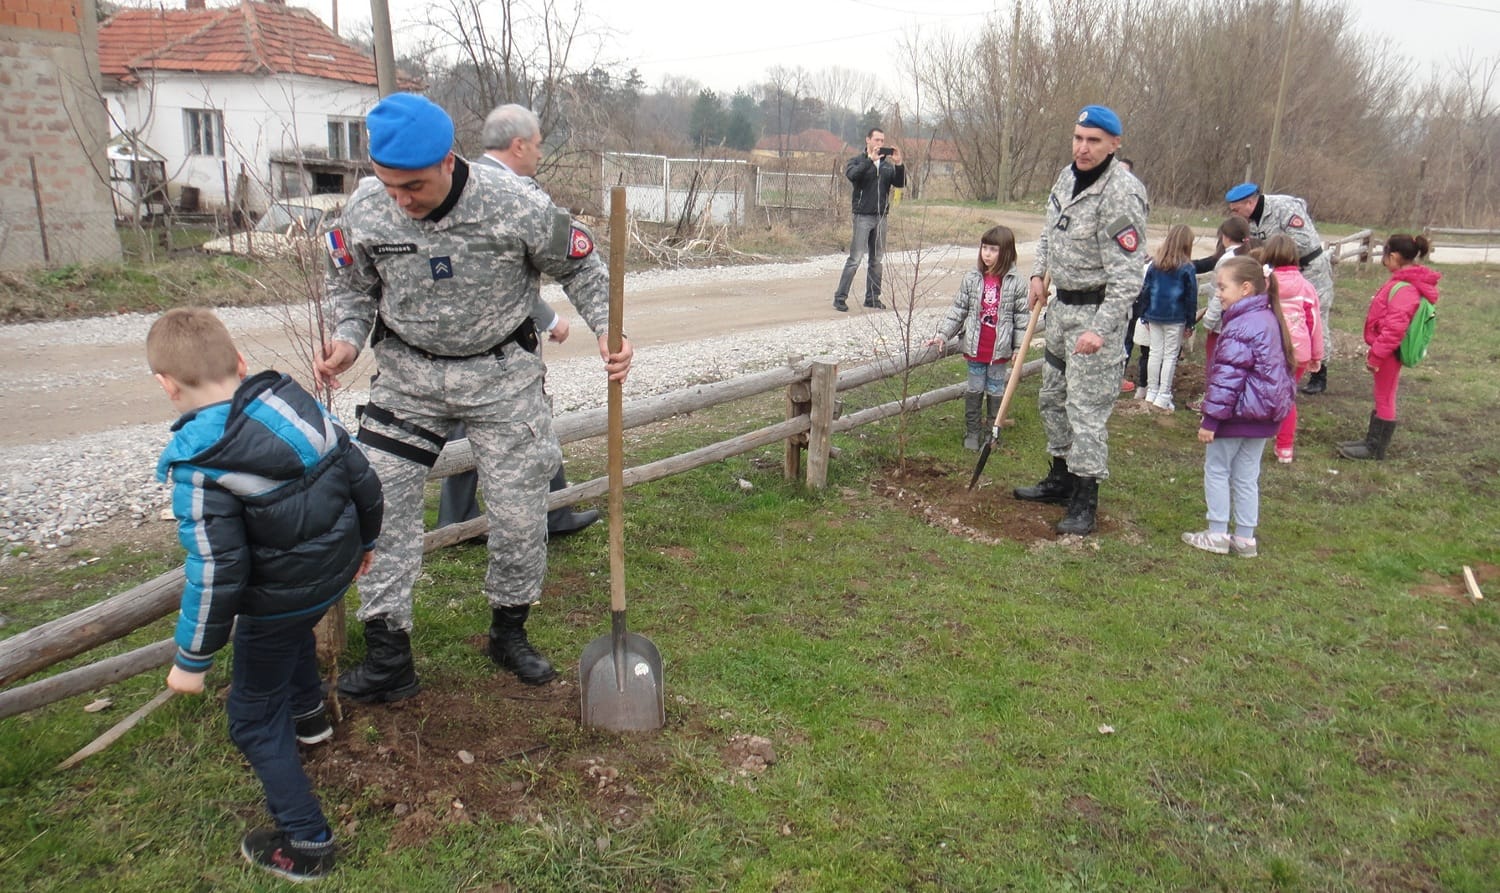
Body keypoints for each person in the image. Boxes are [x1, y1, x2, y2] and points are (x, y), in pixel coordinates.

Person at [314, 93, 633, 701]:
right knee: (379, 510)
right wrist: (348, 340)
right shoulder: (366, 210)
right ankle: (388, 656)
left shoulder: (514, 204)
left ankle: (508, 632)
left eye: (413, 187)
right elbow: (349, 284)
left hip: (501, 380)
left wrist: (609, 330)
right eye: (389, 187)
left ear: (446, 160)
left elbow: (584, 268)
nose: (401, 201)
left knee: (518, 515)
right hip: (407, 381)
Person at [148, 308, 384, 882]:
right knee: (291, 636)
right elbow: (362, 476)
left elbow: (216, 570)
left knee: (251, 717)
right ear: (241, 363)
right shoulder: (296, 406)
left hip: (278, 596)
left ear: (166, 385)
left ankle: (306, 841)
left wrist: (192, 660)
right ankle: (309, 719)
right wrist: (366, 542)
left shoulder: (201, 466)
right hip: (330, 573)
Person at [437, 103, 600, 540]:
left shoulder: (458, 184)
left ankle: (457, 518)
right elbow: (499, 282)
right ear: (519, 144)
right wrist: (548, 320)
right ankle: (553, 513)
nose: (540, 155)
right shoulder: (506, 195)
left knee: (463, 422)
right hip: (502, 343)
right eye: (539, 145)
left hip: (454, 341)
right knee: (533, 419)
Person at [1013, 104, 1149, 535]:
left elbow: (1129, 279)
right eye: (1077, 138)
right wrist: (1038, 273)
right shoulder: (1067, 176)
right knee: (1051, 398)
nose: (1083, 148)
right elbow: (1051, 229)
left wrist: (1101, 329)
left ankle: (1085, 498)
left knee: (1085, 410)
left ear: (1114, 144)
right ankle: (1061, 476)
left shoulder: (1120, 194)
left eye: (1092, 141)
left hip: (1097, 313)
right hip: (1060, 310)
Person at [1182, 256, 1296, 558]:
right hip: (1262, 419)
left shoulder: (1240, 326)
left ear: (1246, 288)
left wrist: (1211, 421)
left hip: (1236, 416)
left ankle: (1217, 532)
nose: (1218, 292)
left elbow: (1228, 379)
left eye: (1222, 287)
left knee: (1217, 469)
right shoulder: (1269, 318)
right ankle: (1245, 538)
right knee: (1247, 475)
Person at [924, 225, 1030, 450]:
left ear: (1007, 252)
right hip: (976, 348)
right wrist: (943, 334)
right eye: (984, 248)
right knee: (974, 389)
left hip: (998, 351)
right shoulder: (973, 278)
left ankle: (993, 433)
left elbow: (1022, 318)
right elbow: (959, 309)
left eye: (993, 249)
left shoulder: (1016, 282)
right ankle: (972, 431)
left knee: (995, 390)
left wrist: (1019, 348)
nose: (987, 254)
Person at [1337, 233, 1441, 460]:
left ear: (1393, 256)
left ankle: (1375, 448)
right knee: (1382, 394)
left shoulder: (1405, 289)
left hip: (1389, 353)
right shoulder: (1405, 283)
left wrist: (1376, 356)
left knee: (1385, 396)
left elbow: (1394, 329)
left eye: (1385, 255)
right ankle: (1371, 440)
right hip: (1387, 350)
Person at [1226, 182, 1335, 394]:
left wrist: (1272, 253)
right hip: (1281, 271)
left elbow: (1303, 242)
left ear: (1250, 202)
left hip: (1310, 269)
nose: (1236, 215)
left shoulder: (1284, 208)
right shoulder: (1252, 221)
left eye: (1236, 210)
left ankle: (1319, 372)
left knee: (1314, 317)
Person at [1260, 234, 1324, 463]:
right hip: (1299, 353)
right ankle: (1284, 448)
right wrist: (1317, 355)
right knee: (1287, 398)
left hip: (1269, 350)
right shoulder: (1306, 288)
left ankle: (1255, 438)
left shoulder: (1264, 284)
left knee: (1262, 393)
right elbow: (1314, 323)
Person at [832, 127, 905, 312]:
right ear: (868, 140)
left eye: (882, 141)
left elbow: (900, 183)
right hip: (862, 215)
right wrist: (869, 161)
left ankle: (872, 297)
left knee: (876, 260)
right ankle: (840, 297)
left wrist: (899, 164)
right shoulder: (857, 161)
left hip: (881, 217)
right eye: (877, 140)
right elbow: (852, 175)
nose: (880, 144)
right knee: (855, 258)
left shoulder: (887, 165)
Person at [1137, 223, 1198, 411]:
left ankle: (1152, 391)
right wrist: (1190, 322)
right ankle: (1163, 395)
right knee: (1170, 356)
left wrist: (1144, 314)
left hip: (1154, 314)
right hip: (1175, 317)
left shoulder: (1156, 264)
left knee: (1155, 353)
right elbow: (1191, 297)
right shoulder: (1187, 268)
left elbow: (1146, 290)